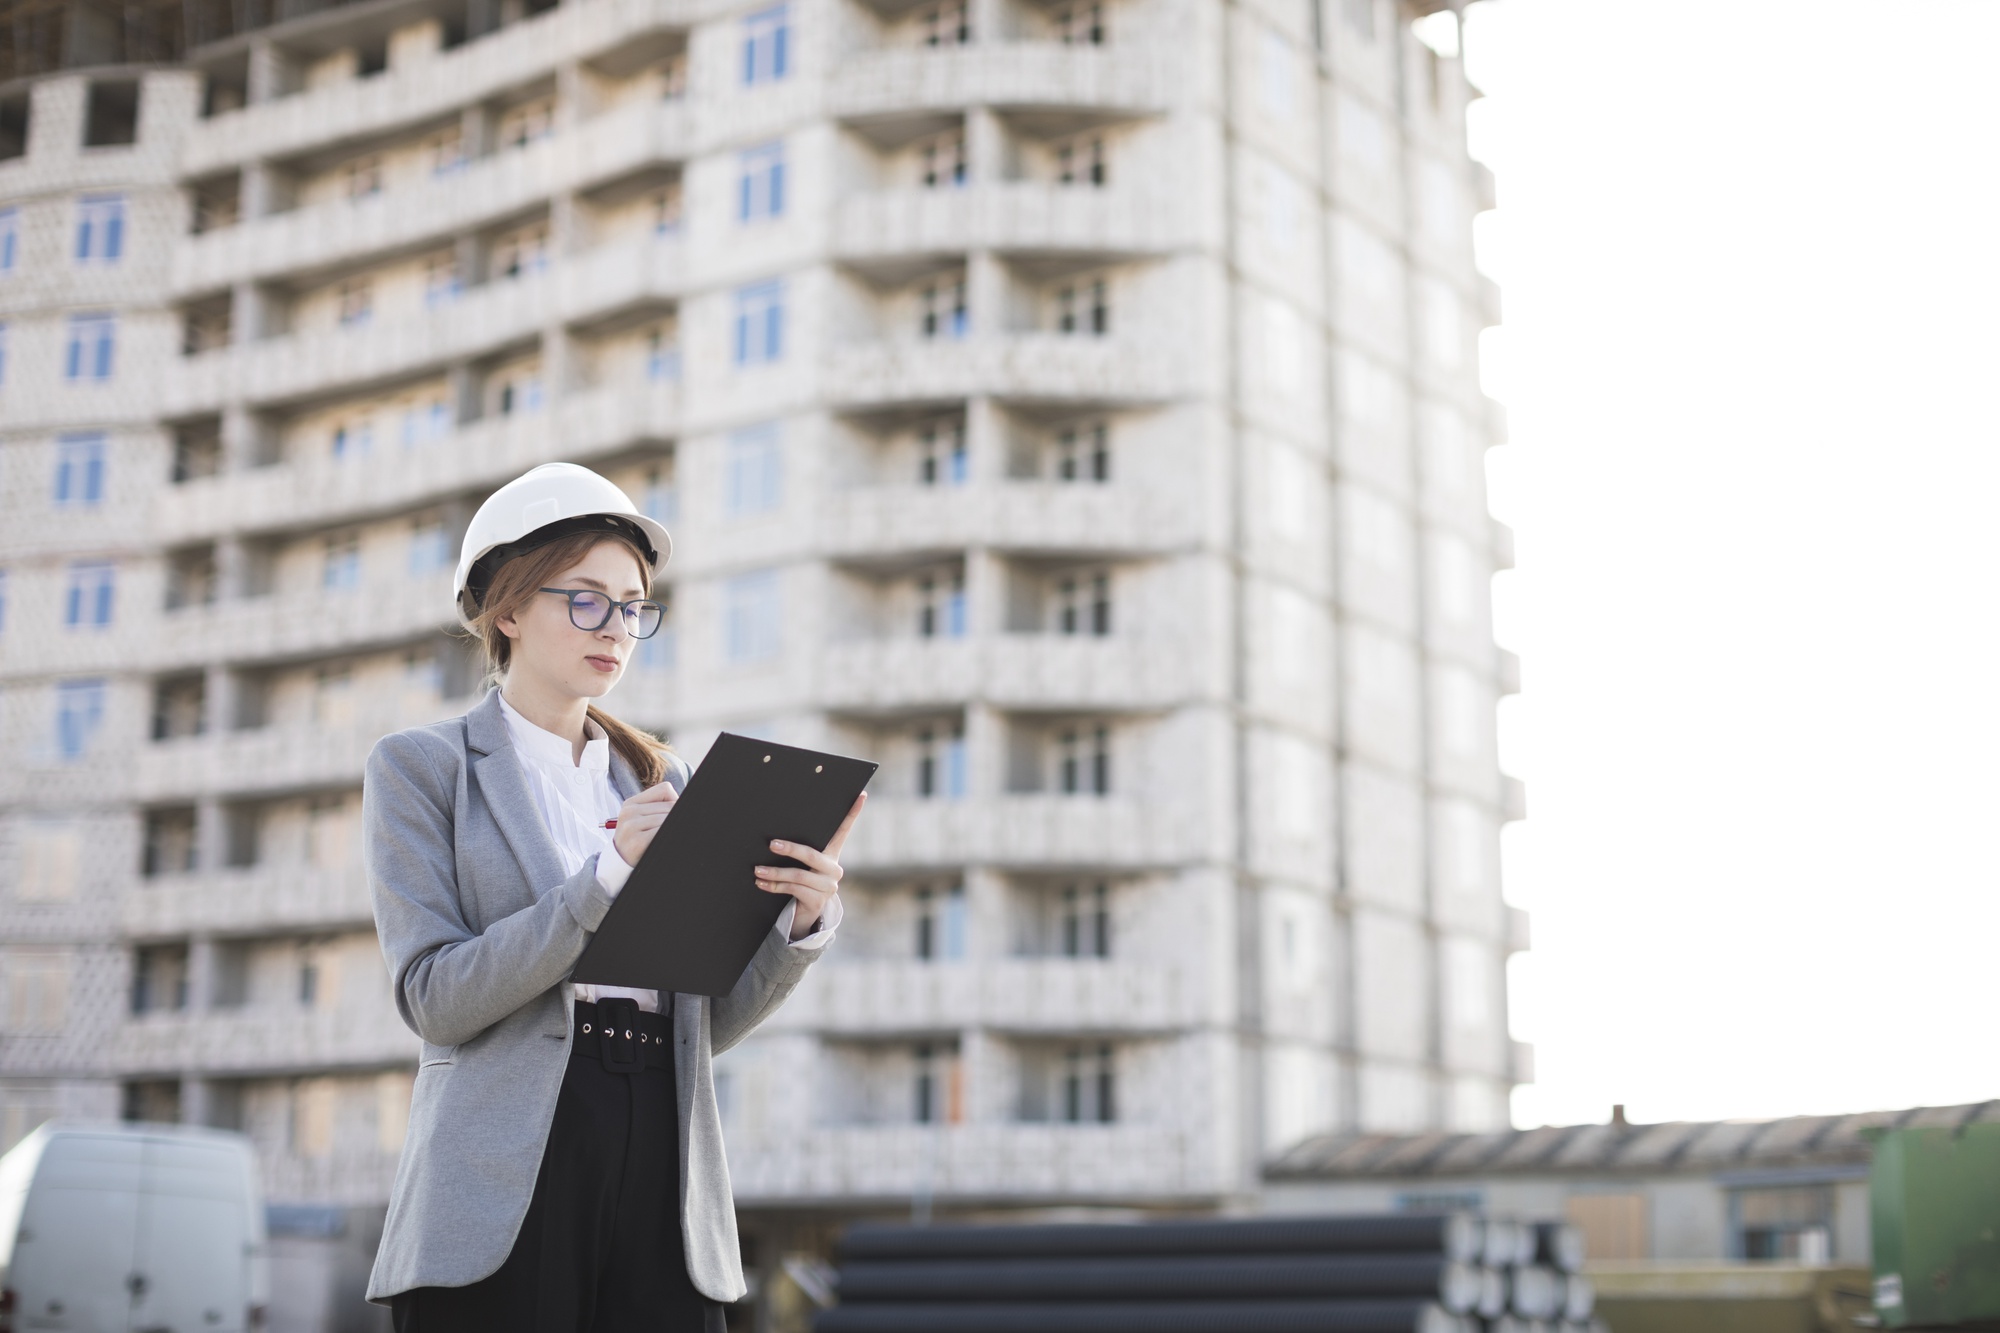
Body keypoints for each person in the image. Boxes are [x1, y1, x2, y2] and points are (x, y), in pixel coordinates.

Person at [362, 463, 863, 1332]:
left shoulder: (666, 780)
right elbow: (434, 999)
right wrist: (603, 881)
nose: (618, 627)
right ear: (507, 609)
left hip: (664, 1154)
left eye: (633, 606)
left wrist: (799, 923)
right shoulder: (421, 768)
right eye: (587, 599)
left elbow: (702, 1025)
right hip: (503, 1164)